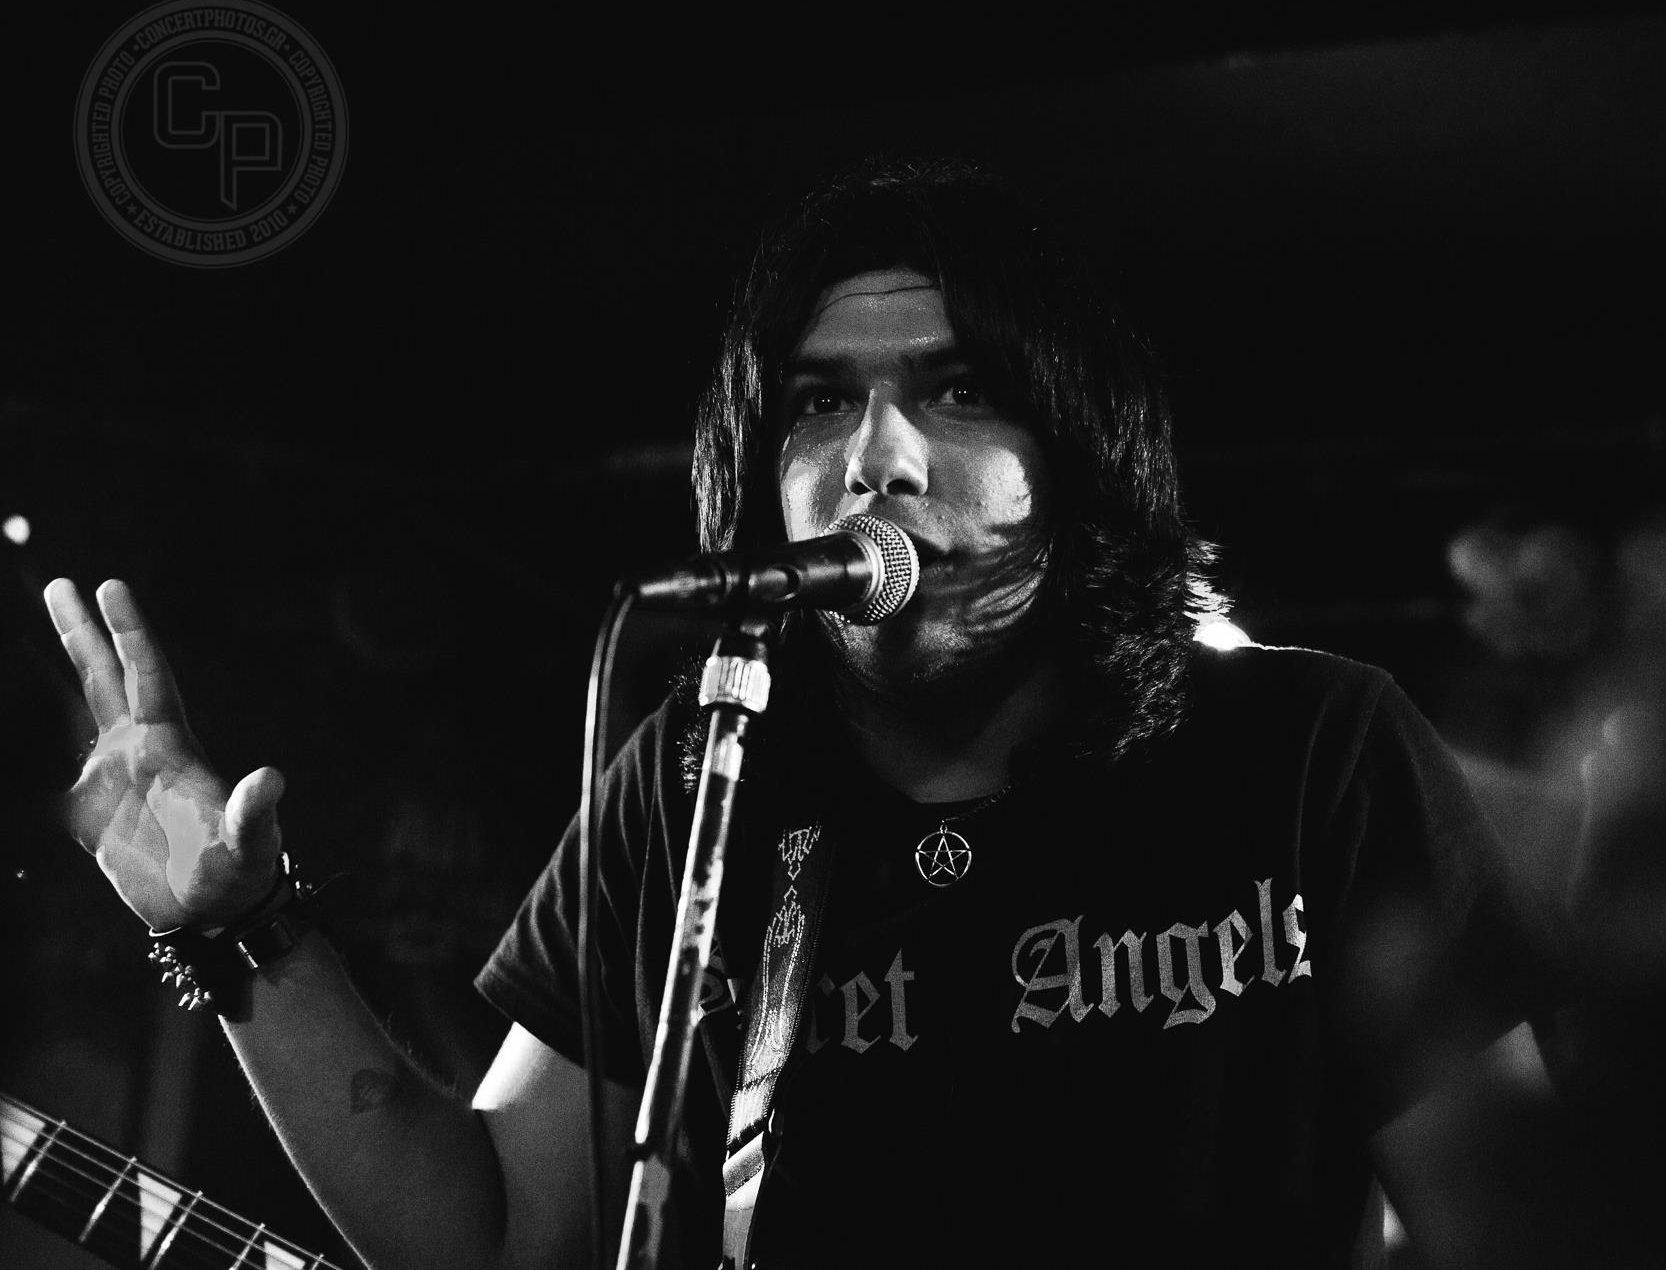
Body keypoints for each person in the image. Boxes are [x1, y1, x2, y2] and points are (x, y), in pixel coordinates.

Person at [42, 157, 1557, 1269]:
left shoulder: (1309, 753)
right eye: (820, 403)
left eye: (958, 391)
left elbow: (1518, 1229)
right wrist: (238, 930)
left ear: (1076, 452)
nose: (877, 457)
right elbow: (497, 1241)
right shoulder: (703, 777)